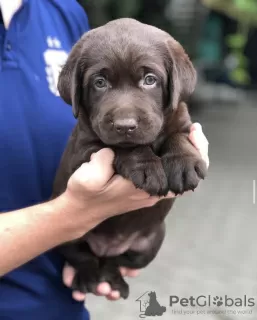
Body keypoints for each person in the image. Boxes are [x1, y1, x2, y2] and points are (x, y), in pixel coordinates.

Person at [0, 1, 209, 319]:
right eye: (100, 83)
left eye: (148, 80)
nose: (125, 117)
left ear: (173, 84)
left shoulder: (62, 10)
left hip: (61, 300)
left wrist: (182, 147)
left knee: (146, 246)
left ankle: (104, 267)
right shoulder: (86, 82)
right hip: (32, 284)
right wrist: (74, 216)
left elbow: (178, 132)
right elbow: (84, 145)